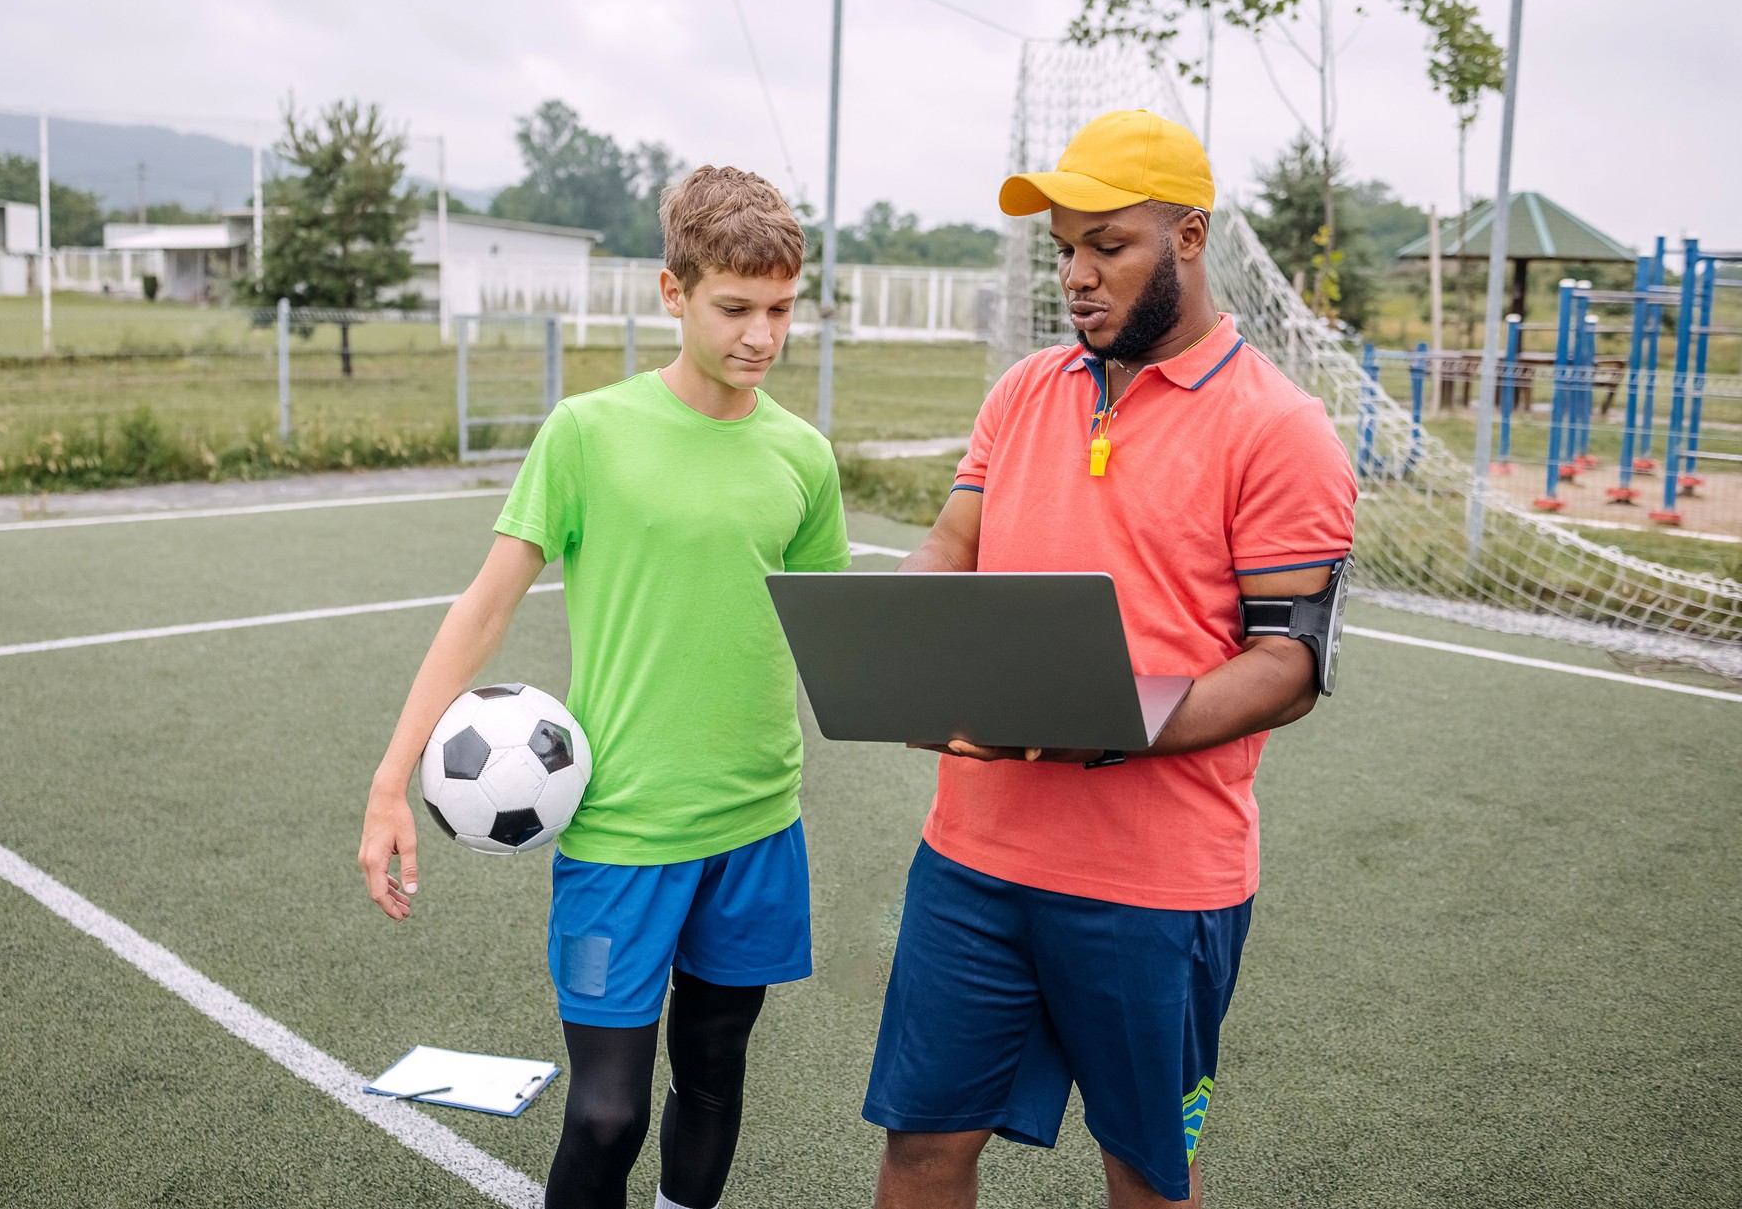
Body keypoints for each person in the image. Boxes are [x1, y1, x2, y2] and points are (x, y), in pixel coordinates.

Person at [863, 110, 1358, 1208]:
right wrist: (905, 650)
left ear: (1188, 236)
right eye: (1065, 251)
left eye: (1108, 245)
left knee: (1143, 1174)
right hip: (972, 859)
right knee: (922, 1149)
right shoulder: (1025, 391)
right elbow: (952, 543)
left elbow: (1287, 665)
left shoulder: (1281, 428)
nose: (1078, 276)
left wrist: (1102, 718)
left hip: (1158, 885)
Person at [358, 165, 851, 1209]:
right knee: (607, 1110)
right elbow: (484, 608)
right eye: (734, 308)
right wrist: (391, 781)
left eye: (780, 310)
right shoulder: (588, 433)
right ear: (673, 293)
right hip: (624, 829)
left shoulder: (803, 457)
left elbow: (836, 635)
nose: (761, 336)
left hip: (759, 822)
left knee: (715, 1076)